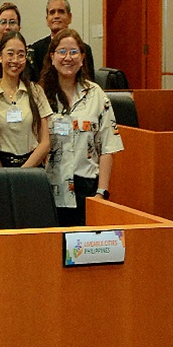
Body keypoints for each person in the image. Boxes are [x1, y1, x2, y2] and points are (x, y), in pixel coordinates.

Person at [41, 27, 121, 226]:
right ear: (52, 57)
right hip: (48, 187)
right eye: (62, 51)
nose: (68, 58)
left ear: (83, 57)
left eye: (74, 52)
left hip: (86, 187)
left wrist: (101, 193)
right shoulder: (39, 94)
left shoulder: (96, 95)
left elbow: (107, 147)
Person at [0, 31, 51, 169]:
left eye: (21, 55)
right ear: (0, 56)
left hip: (32, 167)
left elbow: (45, 143)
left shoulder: (36, 91)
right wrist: (4, 174)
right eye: (10, 54)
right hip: (1, 168)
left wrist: (22, 173)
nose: (15, 60)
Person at [29, 0, 96, 83]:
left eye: (61, 12)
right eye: (52, 12)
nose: (56, 16)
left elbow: (88, 83)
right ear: (47, 20)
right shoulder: (36, 49)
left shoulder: (84, 49)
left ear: (70, 17)